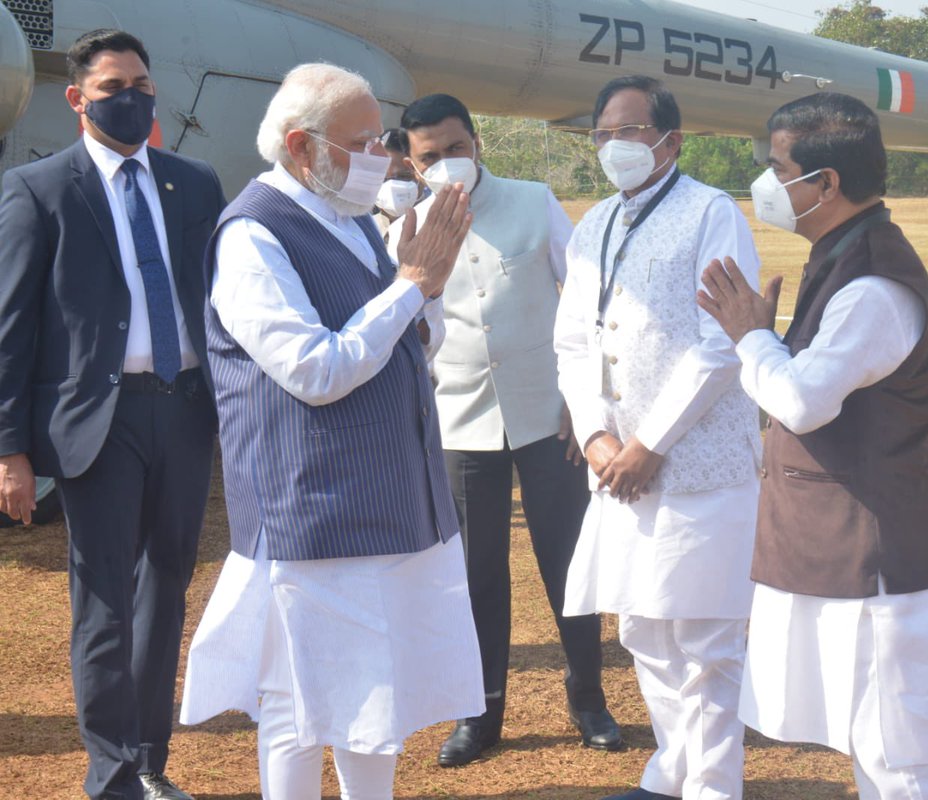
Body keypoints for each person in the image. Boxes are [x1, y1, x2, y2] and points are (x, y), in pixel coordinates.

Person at [177, 63, 484, 800]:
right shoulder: (253, 236)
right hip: (318, 511)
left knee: (369, 698)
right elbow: (314, 368)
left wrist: (426, 292)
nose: (382, 155)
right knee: (302, 703)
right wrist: (412, 285)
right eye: (363, 141)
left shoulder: (343, 220)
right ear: (301, 146)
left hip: (384, 499)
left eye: (381, 138)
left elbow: (408, 345)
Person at [697, 92, 928, 800]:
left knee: (897, 751)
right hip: (844, 550)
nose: (765, 178)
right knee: (872, 739)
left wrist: (749, 334)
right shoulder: (843, 255)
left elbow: (801, 400)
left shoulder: (873, 285)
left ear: (825, 184)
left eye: (777, 165)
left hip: (876, 557)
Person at [0, 29, 224, 800]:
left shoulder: (193, 184)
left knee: (166, 591)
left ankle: (151, 762)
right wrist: (8, 450)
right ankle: (112, 774)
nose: (131, 98)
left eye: (141, 83)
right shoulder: (40, 190)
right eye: (111, 88)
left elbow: (222, 304)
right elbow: (11, 327)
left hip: (186, 412)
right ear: (77, 100)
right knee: (103, 605)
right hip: (99, 421)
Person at [393, 93, 621, 767]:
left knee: (567, 564)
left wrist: (588, 403)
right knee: (474, 575)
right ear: (410, 159)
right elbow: (406, 329)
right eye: (429, 156)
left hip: (548, 416)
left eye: (455, 148)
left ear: (478, 143)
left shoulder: (532, 199)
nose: (446, 164)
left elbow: (587, 300)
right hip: (459, 422)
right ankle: (480, 712)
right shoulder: (403, 224)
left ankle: (589, 698)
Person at [554, 75, 762, 800]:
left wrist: (650, 442)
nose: (615, 146)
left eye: (630, 131)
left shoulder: (711, 213)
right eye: (603, 133)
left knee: (704, 641)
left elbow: (720, 344)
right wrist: (594, 439)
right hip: (617, 470)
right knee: (644, 630)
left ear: (671, 139)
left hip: (698, 467)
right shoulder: (595, 224)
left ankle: (712, 789)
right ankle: (672, 775)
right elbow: (573, 343)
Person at [371, 128, 420, 241]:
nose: (391, 187)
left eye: (402, 177)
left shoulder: (437, 226)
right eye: (382, 179)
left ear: (419, 174)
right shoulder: (362, 231)